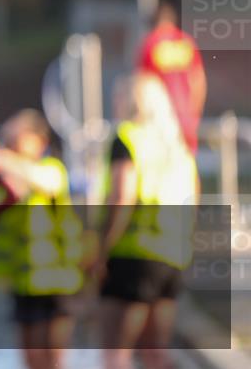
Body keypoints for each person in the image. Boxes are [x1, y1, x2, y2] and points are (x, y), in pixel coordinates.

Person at [92, 74, 197, 369]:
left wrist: (101, 249)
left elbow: (121, 195)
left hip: (132, 254)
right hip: (172, 256)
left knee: (116, 353)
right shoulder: (178, 147)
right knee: (156, 352)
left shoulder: (127, 137)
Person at [0, 110, 83, 369]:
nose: (11, 144)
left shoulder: (51, 169)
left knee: (55, 359)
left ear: (39, 141)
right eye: (7, 139)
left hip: (58, 281)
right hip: (24, 283)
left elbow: (42, 181)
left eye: (17, 137)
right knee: (32, 359)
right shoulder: (4, 183)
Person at [136, 1, 206, 153]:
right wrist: (194, 113)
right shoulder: (186, 42)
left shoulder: (151, 44)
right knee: (187, 164)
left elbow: (142, 85)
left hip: (160, 120)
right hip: (187, 118)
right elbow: (199, 81)